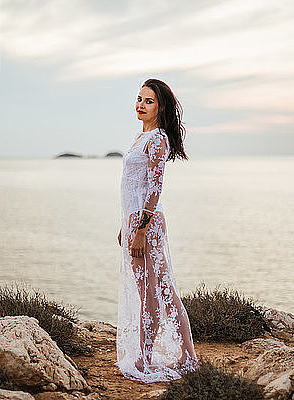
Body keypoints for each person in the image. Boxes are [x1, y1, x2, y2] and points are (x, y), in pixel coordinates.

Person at [113, 78, 199, 383]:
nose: (140, 105)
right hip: (136, 222)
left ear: (160, 108)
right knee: (154, 289)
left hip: (147, 225)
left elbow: (154, 188)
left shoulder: (158, 140)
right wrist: (125, 225)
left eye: (148, 101)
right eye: (139, 99)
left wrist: (139, 228)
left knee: (155, 290)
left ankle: (152, 357)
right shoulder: (140, 137)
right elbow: (132, 187)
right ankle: (177, 356)